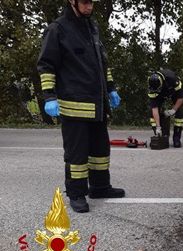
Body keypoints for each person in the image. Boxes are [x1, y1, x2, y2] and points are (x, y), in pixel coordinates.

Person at [37, 0, 125, 213]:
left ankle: (100, 187)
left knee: (100, 151)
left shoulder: (91, 27)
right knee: (77, 155)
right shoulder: (57, 29)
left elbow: (103, 63)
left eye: (92, 2)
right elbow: (46, 64)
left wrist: (111, 88)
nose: (90, 6)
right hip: (73, 105)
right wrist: (49, 96)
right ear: (72, 2)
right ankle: (76, 193)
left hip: (97, 104)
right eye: (85, 2)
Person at [148, 69, 183, 148]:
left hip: (173, 92)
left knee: (180, 112)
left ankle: (176, 138)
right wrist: (158, 126)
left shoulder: (172, 79)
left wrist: (173, 110)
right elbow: (154, 108)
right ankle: (159, 135)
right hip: (160, 95)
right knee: (152, 113)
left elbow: (181, 97)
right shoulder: (151, 85)